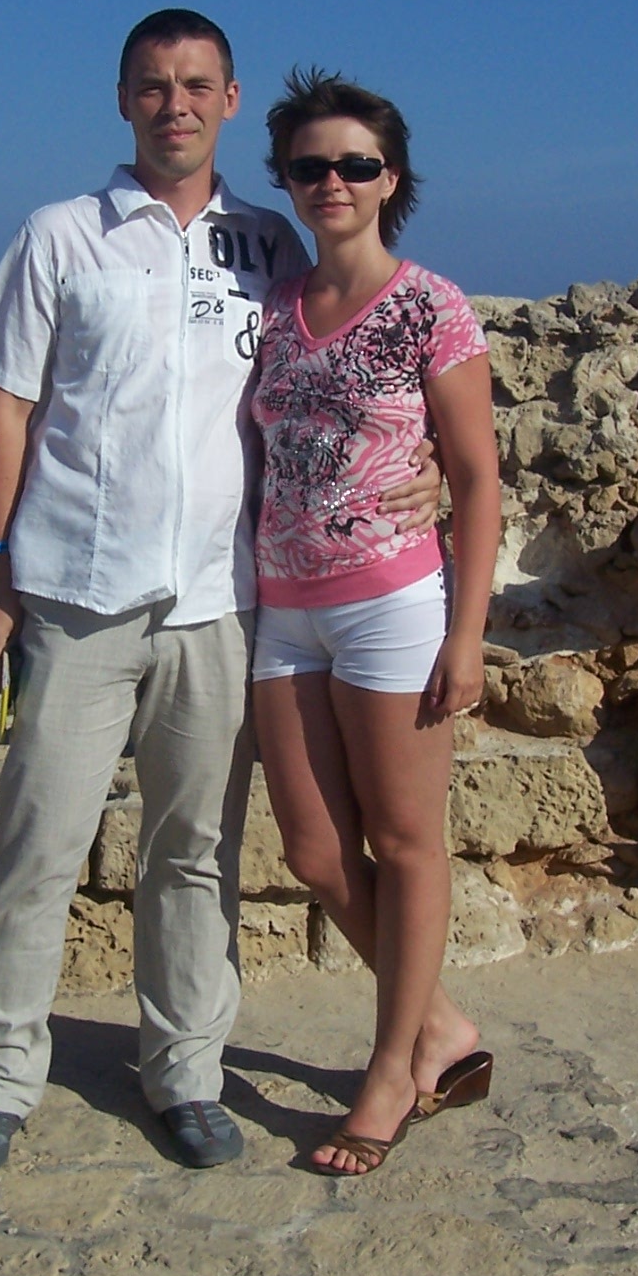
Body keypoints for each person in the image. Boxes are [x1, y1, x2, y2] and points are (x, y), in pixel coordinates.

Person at [0, 11, 439, 1176]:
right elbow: (9, 406)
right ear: (124, 100)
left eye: (196, 84)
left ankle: (185, 1074)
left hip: (221, 601)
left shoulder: (268, 246)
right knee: (39, 843)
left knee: (197, 853)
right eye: (154, 85)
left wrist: (433, 470)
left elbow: (353, 365)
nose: (175, 104)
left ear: (230, 101)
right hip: (76, 594)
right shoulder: (60, 236)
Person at [248, 70, 501, 1176]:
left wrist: (467, 634)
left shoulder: (430, 307)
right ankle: (439, 1025)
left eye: (356, 164)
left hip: (393, 604)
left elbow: (479, 479)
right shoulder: (273, 310)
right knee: (314, 852)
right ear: (288, 182)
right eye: (311, 166)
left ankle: (393, 1069)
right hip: (283, 608)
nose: (333, 181)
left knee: (403, 844)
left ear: (391, 179)